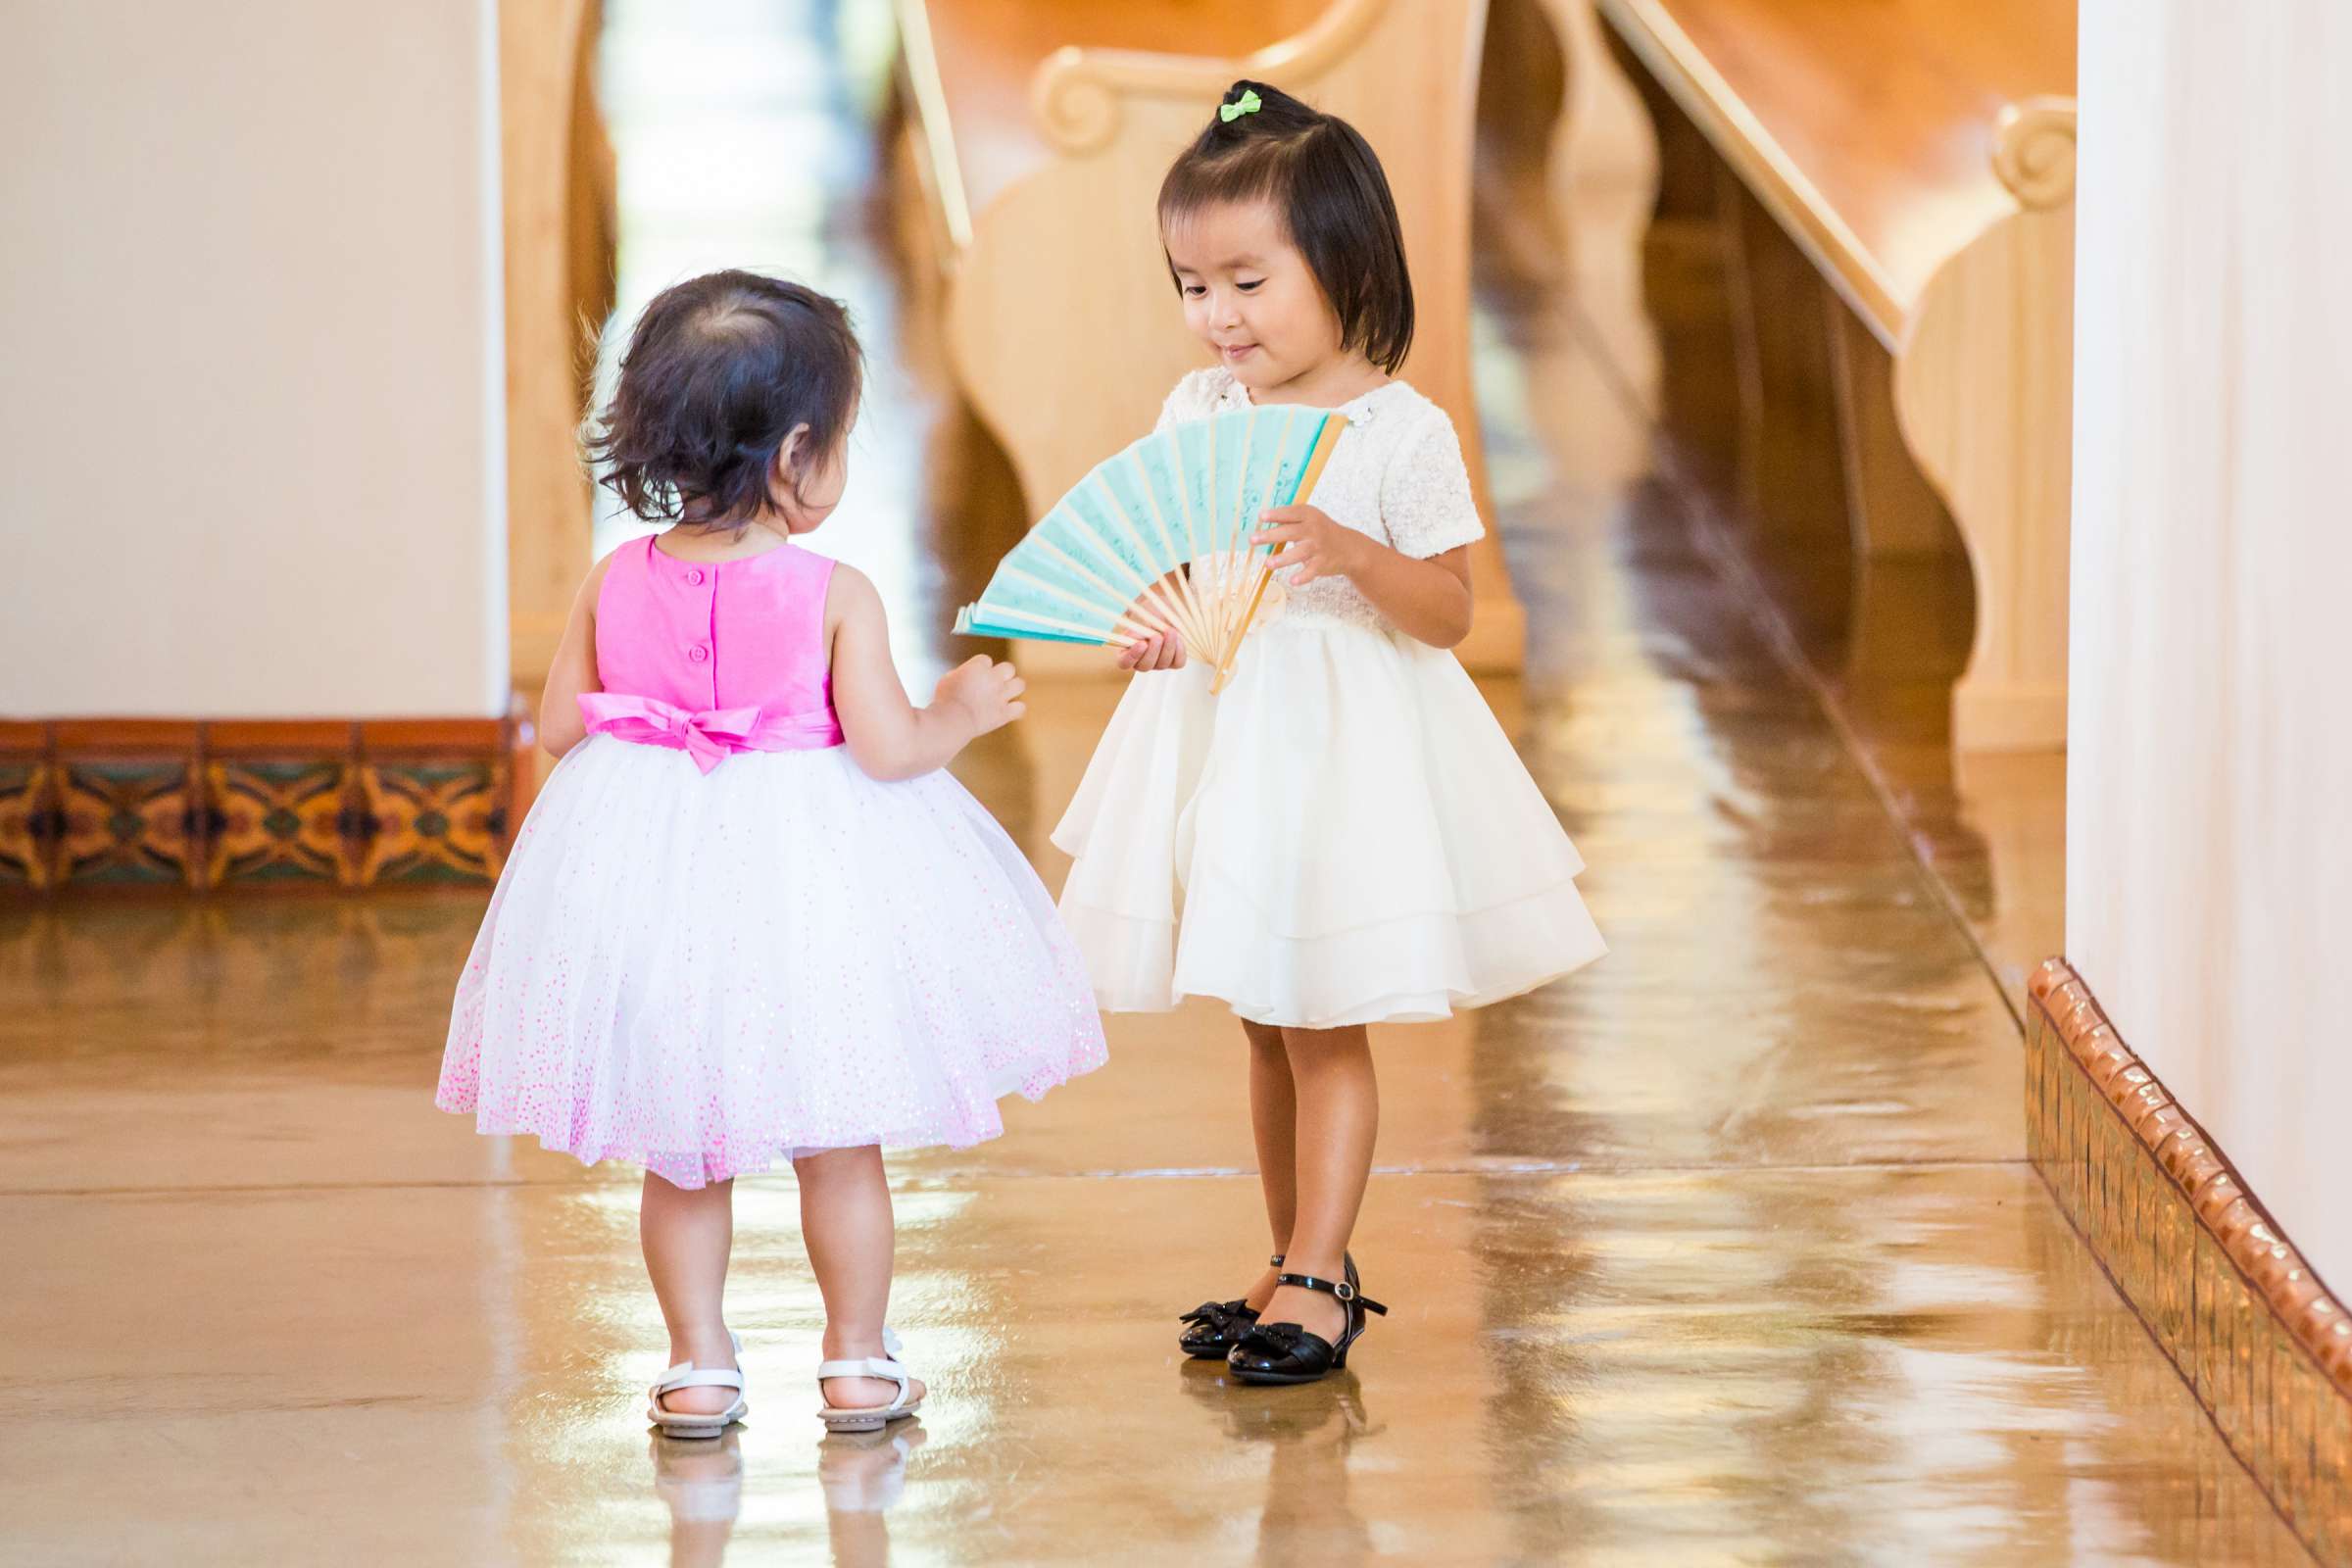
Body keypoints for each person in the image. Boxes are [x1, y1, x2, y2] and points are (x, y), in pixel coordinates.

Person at [436, 270, 1106, 1435]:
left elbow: (553, 728)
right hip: (806, 887)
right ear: (798, 452)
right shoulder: (831, 592)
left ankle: (697, 1365)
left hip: (652, 882)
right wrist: (960, 707)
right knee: (837, 1141)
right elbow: (891, 752)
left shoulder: (612, 579)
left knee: (683, 1146)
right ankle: (854, 1361)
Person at [1053, 83, 1604, 1385]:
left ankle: (1320, 1275)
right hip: (1229, 738)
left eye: (1248, 279)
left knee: (1324, 1015)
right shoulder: (1198, 415)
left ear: (1345, 261)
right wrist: (1157, 628)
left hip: (1341, 755)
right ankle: (1293, 1253)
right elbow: (1187, 576)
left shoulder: (1399, 433)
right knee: (1259, 1007)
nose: (1217, 316)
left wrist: (1356, 553)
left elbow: (1451, 612)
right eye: (1192, 285)